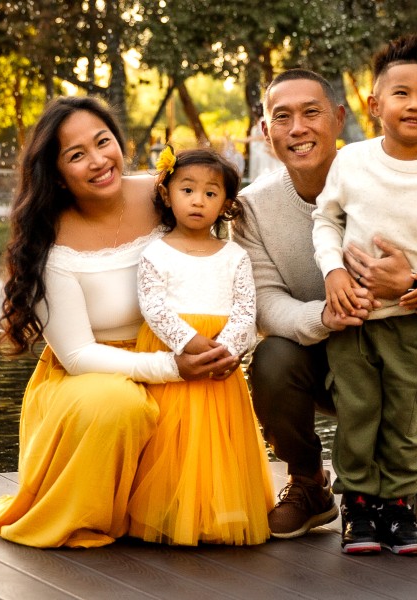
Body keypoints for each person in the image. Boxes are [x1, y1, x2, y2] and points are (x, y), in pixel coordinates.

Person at [232, 67, 417, 550]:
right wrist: (323, 317)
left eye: (311, 113)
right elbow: (264, 303)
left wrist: (413, 284)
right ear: (265, 132)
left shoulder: (402, 173)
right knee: (270, 359)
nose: (298, 129)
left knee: (399, 506)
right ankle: (310, 484)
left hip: (416, 364)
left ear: (338, 118)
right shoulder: (252, 208)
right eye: (282, 117)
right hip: (330, 354)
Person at [0, 96, 239, 549]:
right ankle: (94, 512)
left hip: (176, 350)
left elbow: (223, 248)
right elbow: (76, 354)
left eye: (102, 142)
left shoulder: (166, 194)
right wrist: (171, 367)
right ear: (56, 174)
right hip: (90, 376)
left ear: (119, 141)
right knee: (119, 404)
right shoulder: (47, 239)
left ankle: (164, 510)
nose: (98, 161)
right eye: (77, 155)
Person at [311, 34, 417, 555]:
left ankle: (400, 510)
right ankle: (358, 509)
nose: (414, 104)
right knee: (359, 411)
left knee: (405, 416)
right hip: (356, 317)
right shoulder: (352, 162)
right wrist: (334, 273)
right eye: (401, 93)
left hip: (412, 319)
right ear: (374, 104)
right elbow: (325, 221)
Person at [127, 146, 273, 546]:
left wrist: (226, 348)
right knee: (169, 439)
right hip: (173, 352)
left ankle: (216, 513)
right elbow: (153, 305)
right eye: (187, 189)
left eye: (211, 193)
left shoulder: (235, 256)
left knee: (217, 441)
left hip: (219, 361)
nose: (198, 200)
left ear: (225, 205)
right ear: (167, 194)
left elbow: (246, 310)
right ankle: (167, 511)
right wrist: (189, 342)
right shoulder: (155, 252)